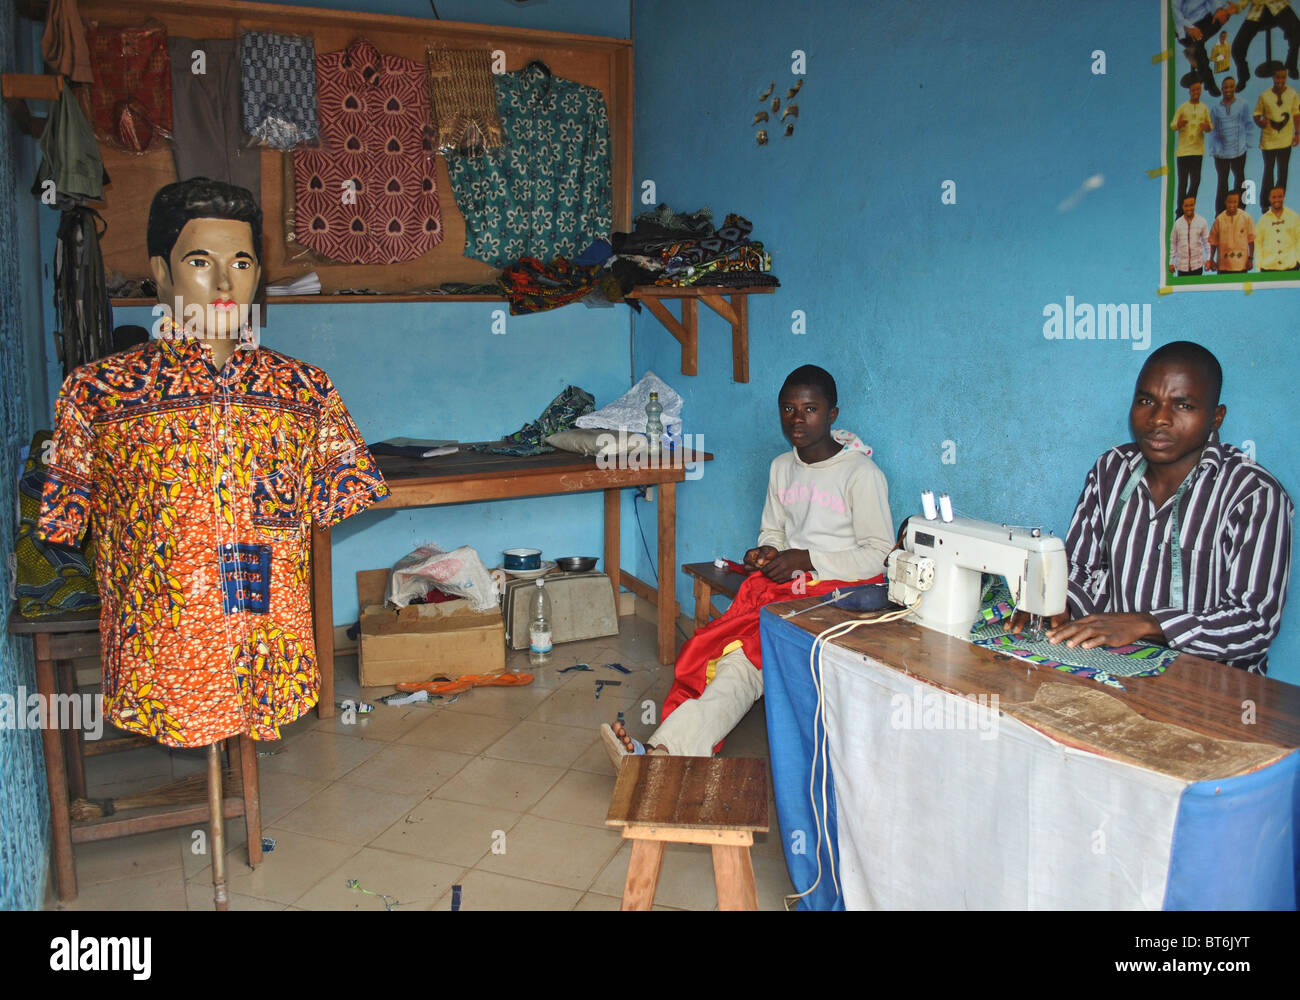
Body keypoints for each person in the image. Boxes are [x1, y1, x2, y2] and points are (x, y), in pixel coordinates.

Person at [38, 178, 389, 748]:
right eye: (201, 261)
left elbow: (342, 496)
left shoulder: (305, 392)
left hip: (266, 650)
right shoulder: (99, 394)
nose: (225, 282)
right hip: (163, 658)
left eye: (243, 262)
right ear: (160, 270)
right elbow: (62, 520)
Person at [602, 365, 893, 761]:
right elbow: (772, 532)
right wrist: (767, 553)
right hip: (784, 590)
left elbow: (879, 554)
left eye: (810, 409)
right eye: (788, 409)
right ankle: (662, 751)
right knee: (723, 656)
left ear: (832, 415)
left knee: (741, 658)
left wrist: (806, 559)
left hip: (838, 597)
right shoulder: (780, 468)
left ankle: (665, 752)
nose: (797, 419)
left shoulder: (860, 474)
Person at [1010, 342, 1292, 674]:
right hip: (1114, 669)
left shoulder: (1252, 493)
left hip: (1212, 692)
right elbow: (1083, 570)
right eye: (1146, 401)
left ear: (1216, 417)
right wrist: (1059, 605)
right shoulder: (1111, 470)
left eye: (1183, 405)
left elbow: (1254, 622)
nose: (1159, 418)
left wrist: (1149, 624)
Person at [1208, 75, 1254, 215]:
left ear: (1234, 88)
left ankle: (1242, 209)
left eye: (1231, 86)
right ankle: (1220, 212)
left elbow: (1248, 124)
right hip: (1221, 153)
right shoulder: (1215, 109)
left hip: (1239, 150)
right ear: (1222, 89)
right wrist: (1214, 149)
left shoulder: (1243, 104)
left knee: (1240, 178)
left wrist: (1248, 143)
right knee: (1222, 181)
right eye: (1225, 87)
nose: (1228, 89)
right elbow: (1212, 130)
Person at [1253, 63, 1300, 200]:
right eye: (1278, 77)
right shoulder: (1265, 96)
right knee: (1268, 170)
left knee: (1283, 171)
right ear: (1273, 77)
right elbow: (1257, 114)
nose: (1280, 80)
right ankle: (1265, 202)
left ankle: (1279, 200)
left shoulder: (1292, 94)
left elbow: (1296, 114)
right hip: (1268, 141)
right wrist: (1260, 122)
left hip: (1286, 140)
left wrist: (1297, 134)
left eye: (1283, 77)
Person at [1233, 1, 1300, 86]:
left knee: (1297, 30)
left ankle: (1291, 65)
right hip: (1257, 12)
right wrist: (1236, 8)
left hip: (1278, 6)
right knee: (1237, 47)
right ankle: (1243, 77)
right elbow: (1242, 3)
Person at [1174, 0, 1234, 95]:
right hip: (1184, 26)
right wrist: (1188, 27)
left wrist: (1219, 9)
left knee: (1225, 15)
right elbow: (1173, 10)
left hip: (1204, 19)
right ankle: (1209, 83)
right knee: (1199, 51)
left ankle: (1193, 50)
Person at [1172, 81, 1213, 206]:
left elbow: (1210, 126)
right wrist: (1178, 125)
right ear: (1189, 91)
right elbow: (1173, 125)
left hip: (1197, 151)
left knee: (1195, 181)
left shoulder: (1204, 108)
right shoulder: (1183, 107)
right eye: (1193, 90)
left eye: (1198, 89)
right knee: (1183, 183)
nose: (1196, 92)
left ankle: (1189, 206)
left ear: (1200, 91)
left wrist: (1207, 127)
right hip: (1183, 152)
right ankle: (1180, 211)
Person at [1208, 187, 1256, 271]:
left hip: (1242, 265)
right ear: (1225, 202)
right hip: (1224, 265)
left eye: (1235, 202)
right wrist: (1211, 259)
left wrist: (1251, 258)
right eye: (1229, 202)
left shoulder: (1246, 217)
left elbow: (1251, 240)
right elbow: (1213, 242)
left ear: (1238, 202)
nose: (1232, 205)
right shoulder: (1219, 219)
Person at [1256, 183, 1300, 268]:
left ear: (1284, 197)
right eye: (1274, 197)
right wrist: (1259, 263)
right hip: (1269, 266)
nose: (1277, 199)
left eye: (1280, 196)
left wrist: (1298, 260)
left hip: (1290, 266)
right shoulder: (1263, 220)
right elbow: (1258, 243)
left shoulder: (1293, 217)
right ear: (1269, 199)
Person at [1170, 194, 1211, 274]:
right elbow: (1173, 243)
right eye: (1186, 206)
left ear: (1195, 205)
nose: (1189, 208)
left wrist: (1209, 259)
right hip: (1182, 267)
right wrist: (1171, 262)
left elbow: (1207, 242)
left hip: (1197, 266)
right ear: (1182, 206)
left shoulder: (1202, 221)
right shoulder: (1177, 224)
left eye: (1191, 205)